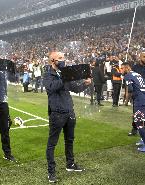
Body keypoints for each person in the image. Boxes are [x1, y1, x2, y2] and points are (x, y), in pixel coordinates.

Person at [43, 51, 92, 183]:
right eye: (60, 58)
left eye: (63, 57)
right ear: (52, 61)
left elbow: (75, 88)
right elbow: (52, 87)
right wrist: (65, 76)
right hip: (57, 113)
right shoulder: (48, 75)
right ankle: (51, 171)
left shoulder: (64, 74)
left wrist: (85, 84)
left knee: (69, 140)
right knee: (52, 144)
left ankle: (70, 164)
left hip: (69, 112)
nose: (63, 60)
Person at [121, 62, 145, 152]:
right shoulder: (137, 74)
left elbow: (130, 90)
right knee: (139, 122)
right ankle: (143, 140)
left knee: (139, 123)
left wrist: (127, 101)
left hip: (139, 101)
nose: (121, 70)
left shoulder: (127, 76)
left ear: (127, 68)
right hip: (144, 99)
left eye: (122, 68)